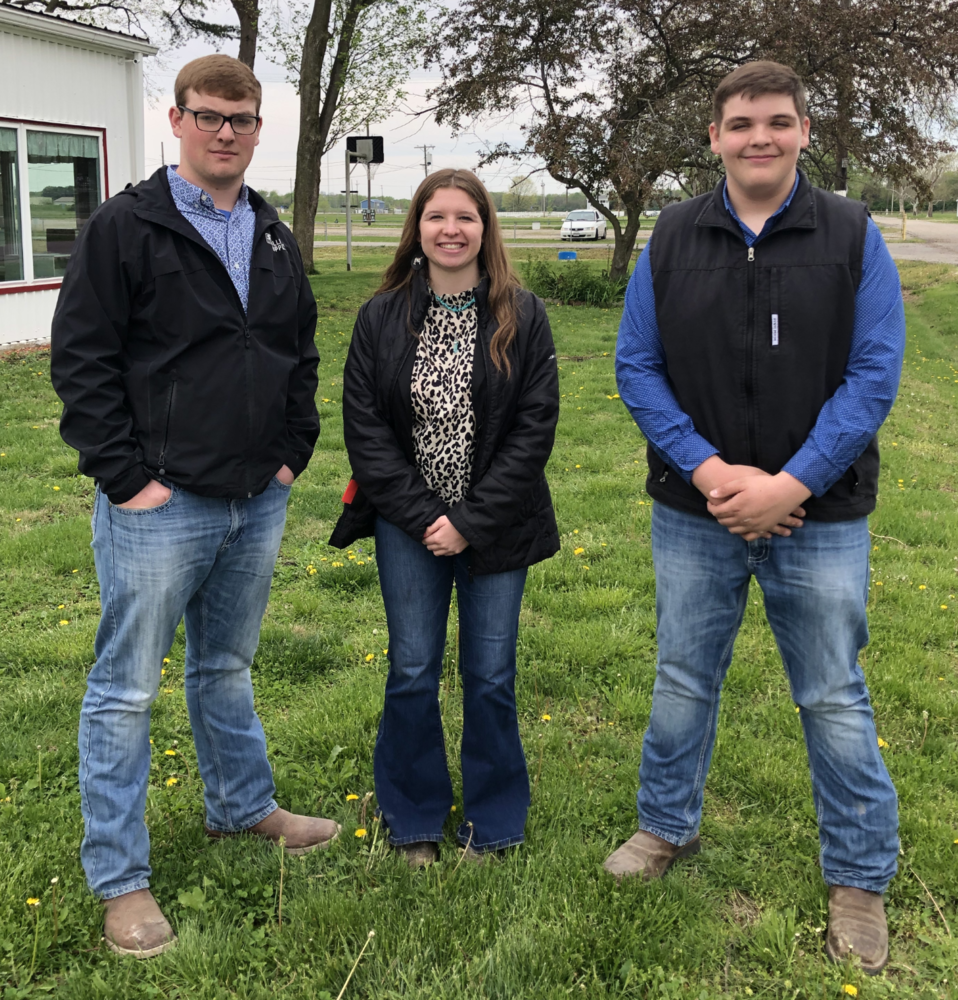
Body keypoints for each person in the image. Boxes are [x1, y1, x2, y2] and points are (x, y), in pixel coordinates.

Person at [609, 61, 905, 976]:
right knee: (682, 679)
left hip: (820, 517)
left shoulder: (853, 234)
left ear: (805, 132)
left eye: (778, 122)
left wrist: (793, 485)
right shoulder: (670, 236)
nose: (759, 137)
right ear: (714, 138)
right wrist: (708, 471)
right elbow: (636, 367)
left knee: (831, 694)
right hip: (695, 510)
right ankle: (666, 828)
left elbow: (873, 377)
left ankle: (858, 878)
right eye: (741, 124)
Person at [50, 54, 338, 959]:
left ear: (259, 128)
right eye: (209, 115)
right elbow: (83, 359)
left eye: (242, 118)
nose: (226, 131)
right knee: (126, 690)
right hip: (158, 506)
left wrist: (294, 453)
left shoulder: (271, 232)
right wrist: (125, 476)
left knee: (226, 667)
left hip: (256, 499)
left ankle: (242, 808)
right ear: (175, 120)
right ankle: (120, 880)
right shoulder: (125, 228)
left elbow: (298, 350)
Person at [331, 169, 560, 867]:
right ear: (418, 228)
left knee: (490, 675)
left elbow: (534, 429)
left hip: (497, 525)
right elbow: (364, 428)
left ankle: (493, 824)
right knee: (411, 669)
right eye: (437, 216)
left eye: (466, 216)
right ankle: (412, 821)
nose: (451, 229)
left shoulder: (521, 313)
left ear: (486, 228)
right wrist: (427, 515)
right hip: (409, 526)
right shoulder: (382, 316)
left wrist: (468, 520)